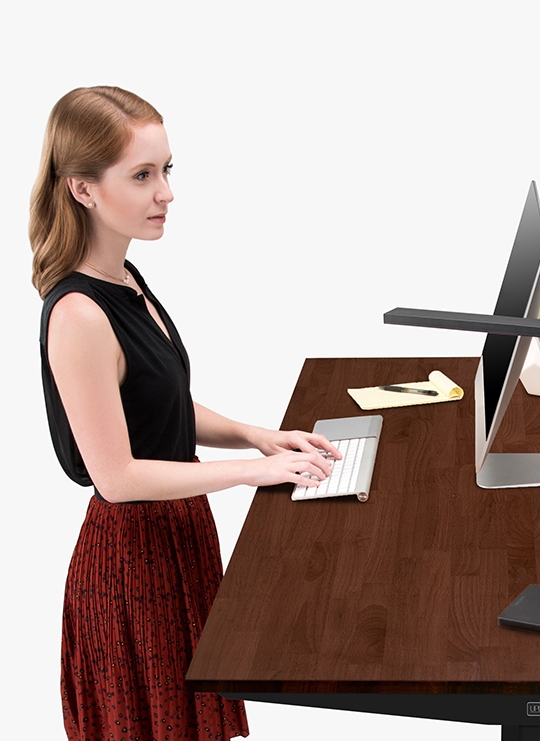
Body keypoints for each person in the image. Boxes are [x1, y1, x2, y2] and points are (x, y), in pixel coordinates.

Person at [29, 86, 340, 740]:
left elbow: (157, 406)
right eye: (142, 175)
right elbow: (117, 477)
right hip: (132, 564)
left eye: (166, 169)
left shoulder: (126, 280)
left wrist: (256, 437)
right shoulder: (79, 315)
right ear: (83, 189)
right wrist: (253, 474)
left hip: (178, 537)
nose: (166, 193)